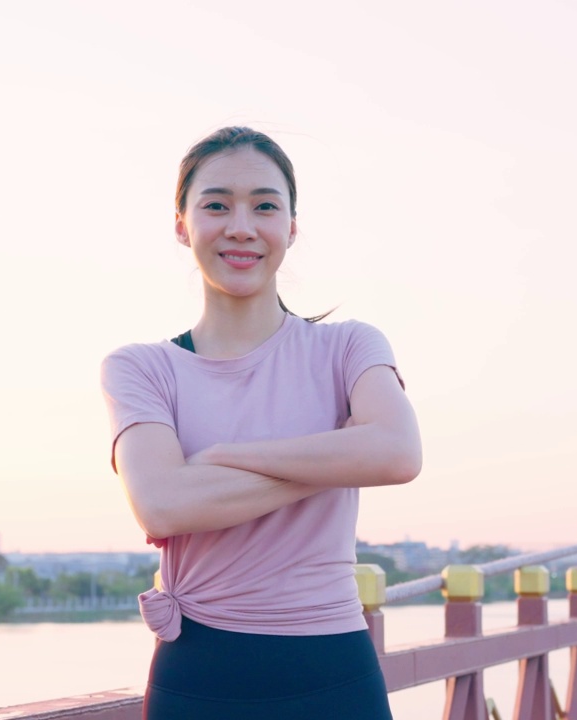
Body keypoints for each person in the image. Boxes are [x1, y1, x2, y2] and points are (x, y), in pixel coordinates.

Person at [100, 127, 422, 719]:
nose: (241, 226)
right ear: (181, 224)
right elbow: (163, 505)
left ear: (291, 228)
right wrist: (343, 455)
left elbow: (398, 453)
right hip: (198, 678)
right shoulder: (142, 368)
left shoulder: (348, 347)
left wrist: (220, 457)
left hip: (334, 676)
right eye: (216, 204)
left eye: (265, 206)